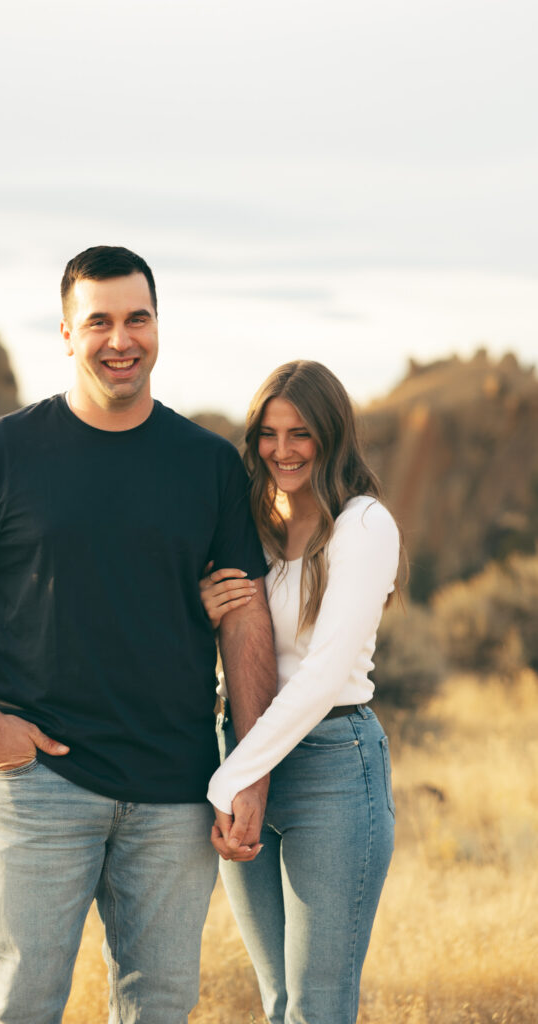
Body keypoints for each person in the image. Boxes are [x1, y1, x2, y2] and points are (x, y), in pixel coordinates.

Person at [0, 245, 278, 1024]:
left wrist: (249, 767)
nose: (120, 338)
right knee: (23, 1005)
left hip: (174, 789)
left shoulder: (207, 465)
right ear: (67, 334)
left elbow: (244, 619)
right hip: (42, 782)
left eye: (137, 318)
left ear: (158, 327)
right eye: (98, 320)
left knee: (160, 1008)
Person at [199, 360, 402, 1024]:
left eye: (301, 433)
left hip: (333, 765)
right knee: (277, 1000)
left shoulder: (364, 525)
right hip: (248, 748)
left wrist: (234, 776)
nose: (282, 450)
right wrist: (201, 608)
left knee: (318, 1006)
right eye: (268, 433)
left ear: (332, 436)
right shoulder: (250, 524)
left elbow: (320, 675)